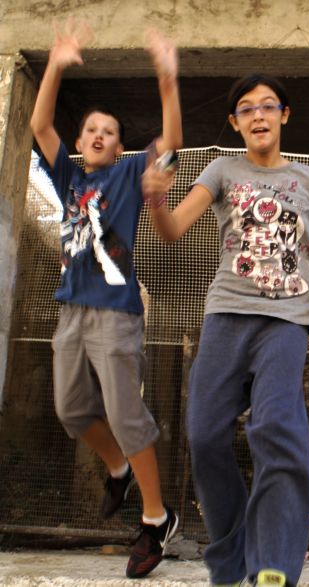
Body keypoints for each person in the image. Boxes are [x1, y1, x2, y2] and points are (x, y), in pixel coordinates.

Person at [142, 74, 309, 587]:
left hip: (286, 319)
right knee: (204, 433)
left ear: (285, 115)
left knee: (276, 428)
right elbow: (171, 231)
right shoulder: (222, 169)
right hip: (226, 314)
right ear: (235, 122)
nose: (258, 114)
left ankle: (274, 565)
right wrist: (155, 199)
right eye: (246, 108)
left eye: (268, 105)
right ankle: (234, 552)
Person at [29, 18, 182, 579]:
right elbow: (40, 123)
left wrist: (167, 78)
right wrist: (55, 63)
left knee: (125, 413)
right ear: (79, 143)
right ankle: (117, 468)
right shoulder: (68, 178)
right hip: (71, 311)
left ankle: (156, 518)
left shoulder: (129, 175)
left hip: (116, 313)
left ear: (120, 147)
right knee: (71, 409)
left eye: (109, 131)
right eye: (91, 129)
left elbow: (171, 142)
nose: (98, 135)